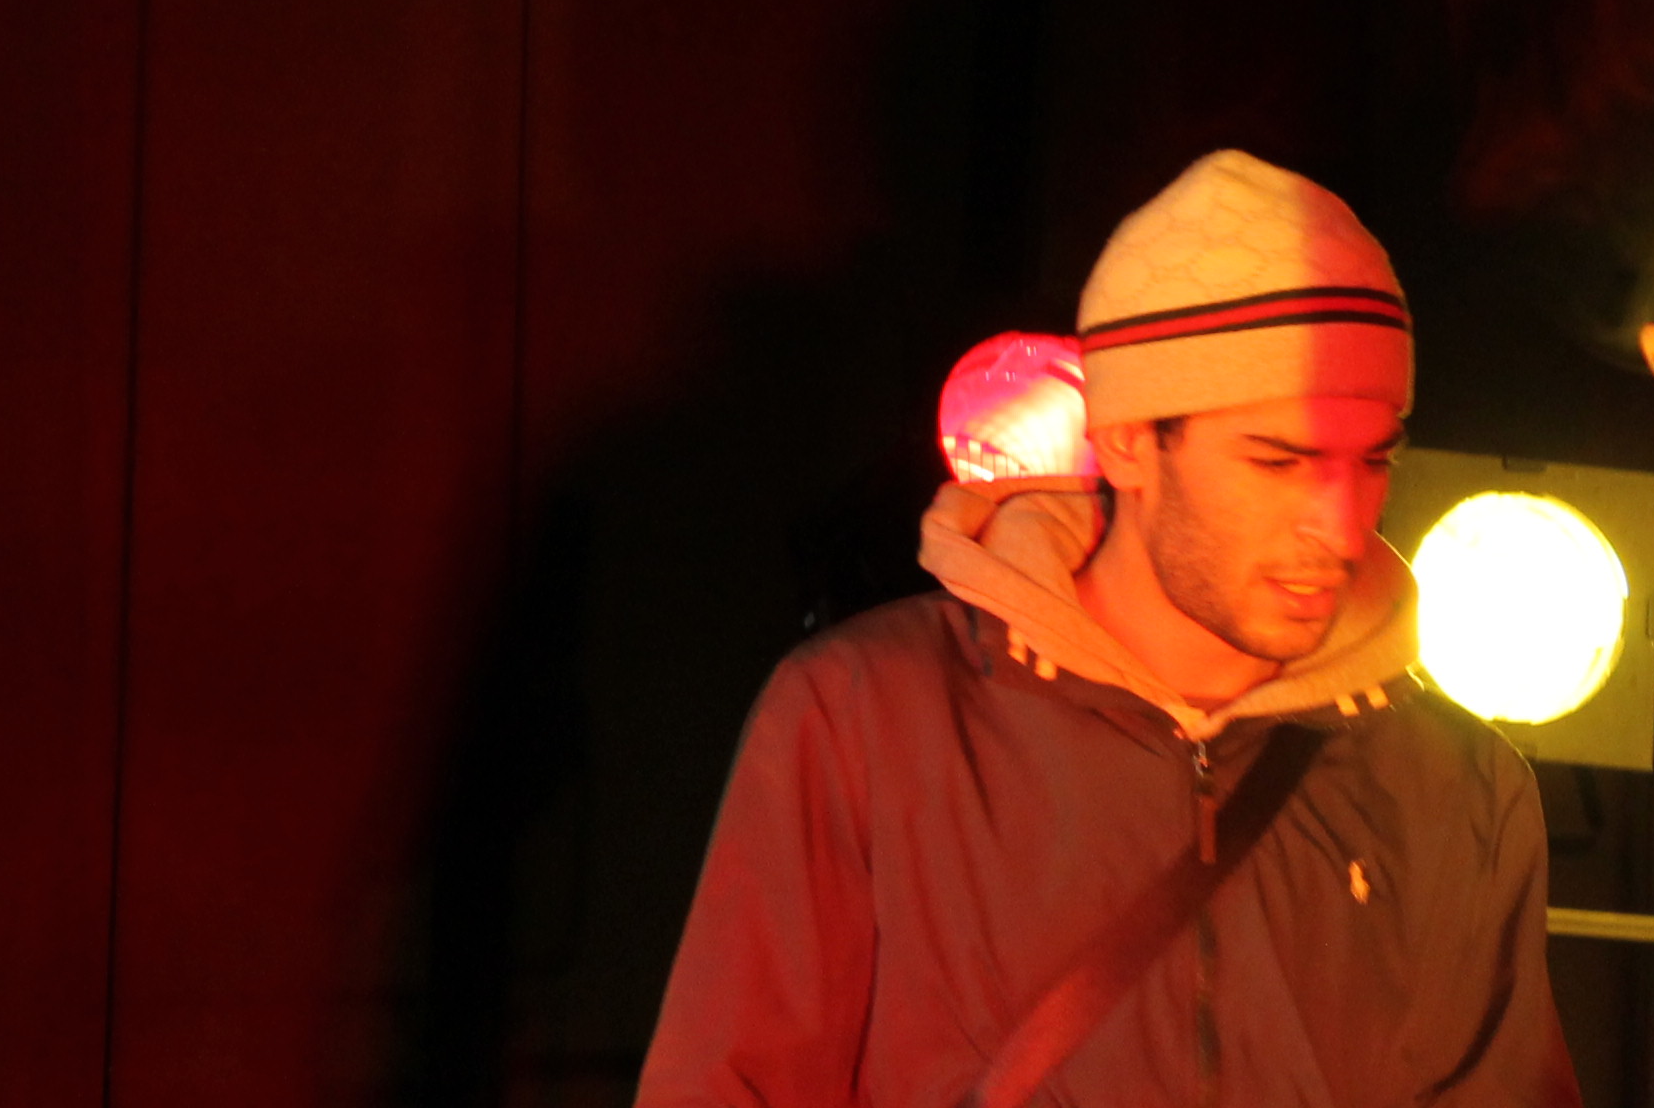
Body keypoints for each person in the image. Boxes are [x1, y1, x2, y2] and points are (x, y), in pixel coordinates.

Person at [639, 149, 1576, 1107]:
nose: (1340, 525)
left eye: (1371, 461)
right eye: (1278, 461)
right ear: (1128, 441)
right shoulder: (867, 721)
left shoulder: (1461, 793)